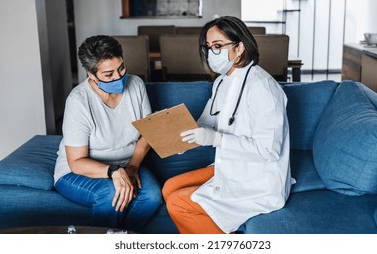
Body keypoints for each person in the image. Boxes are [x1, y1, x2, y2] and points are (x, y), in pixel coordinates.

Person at [162, 16, 294, 234]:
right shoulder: (222, 81)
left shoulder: (263, 87)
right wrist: (174, 130)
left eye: (217, 46)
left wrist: (215, 139)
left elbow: (269, 150)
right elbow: (205, 123)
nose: (211, 53)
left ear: (239, 47)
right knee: (170, 188)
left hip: (257, 179)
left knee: (179, 203)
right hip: (229, 165)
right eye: (208, 47)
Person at [53, 35, 162, 231]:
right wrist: (113, 171)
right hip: (79, 170)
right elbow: (76, 162)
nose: (119, 78)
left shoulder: (136, 85)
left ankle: (120, 241)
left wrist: (133, 167)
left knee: (153, 196)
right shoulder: (79, 101)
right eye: (109, 74)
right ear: (91, 75)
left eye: (121, 68)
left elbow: (148, 132)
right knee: (112, 193)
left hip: (126, 163)